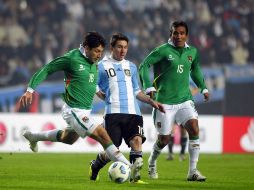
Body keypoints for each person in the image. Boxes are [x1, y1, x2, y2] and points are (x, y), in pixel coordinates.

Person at [20, 31, 133, 174]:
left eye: (101, 51)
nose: (99, 55)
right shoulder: (72, 59)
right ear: (86, 48)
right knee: (102, 134)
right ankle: (129, 166)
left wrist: (97, 90)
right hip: (74, 110)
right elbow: (48, 68)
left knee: (68, 138)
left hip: (85, 109)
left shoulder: (94, 61)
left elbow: (90, 79)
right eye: (96, 51)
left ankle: (33, 137)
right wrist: (30, 89)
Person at [89, 33, 165, 183]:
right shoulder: (101, 66)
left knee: (136, 141)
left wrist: (151, 101)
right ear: (112, 47)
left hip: (133, 113)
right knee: (112, 149)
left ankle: (135, 179)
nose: (123, 50)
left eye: (125, 47)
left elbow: (136, 91)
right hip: (113, 113)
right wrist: (100, 93)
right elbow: (93, 84)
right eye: (119, 47)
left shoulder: (131, 66)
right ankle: (96, 165)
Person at [139, 21, 209, 182]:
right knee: (164, 140)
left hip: (185, 99)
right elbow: (143, 66)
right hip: (164, 102)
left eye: (182, 33)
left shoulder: (192, 51)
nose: (178, 36)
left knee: (194, 128)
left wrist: (203, 87)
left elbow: (196, 69)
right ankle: (152, 162)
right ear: (170, 34)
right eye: (175, 33)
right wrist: (148, 87)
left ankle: (193, 171)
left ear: (187, 35)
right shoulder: (163, 51)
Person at [167, 85, 199, 161]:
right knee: (171, 131)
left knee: (183, 131)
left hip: (183, 109)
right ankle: (170, 154)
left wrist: (188, 95)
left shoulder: (187, 81)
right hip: (173, 108)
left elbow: (197, 89)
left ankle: (182, 154)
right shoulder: (173, 80)